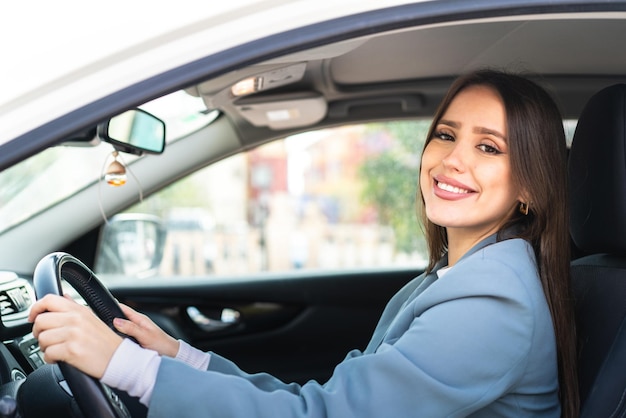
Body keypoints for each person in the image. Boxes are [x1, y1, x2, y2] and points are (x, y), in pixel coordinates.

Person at [29, 69, 580, 417]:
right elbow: (323, 400)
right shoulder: (457, 278)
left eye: (489, 148)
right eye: (446, 134)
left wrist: (127, 367)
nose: (452, 159)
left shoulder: (492, 302)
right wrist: (177, 356)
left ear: (530, 186)